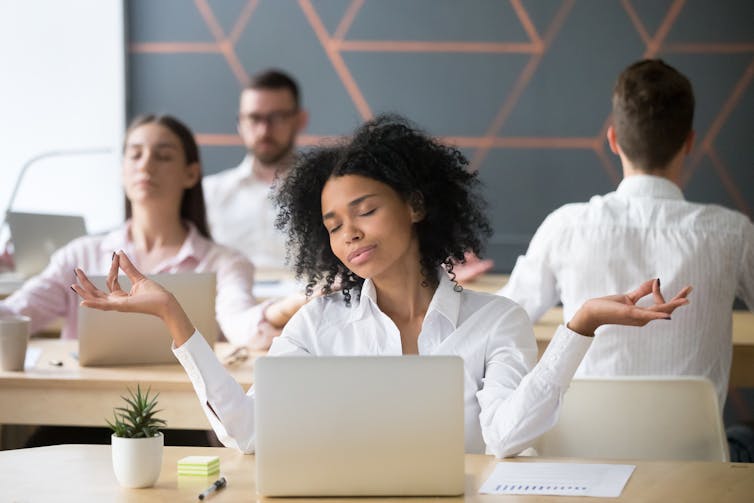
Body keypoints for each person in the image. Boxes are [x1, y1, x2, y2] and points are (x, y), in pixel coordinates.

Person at [73, 115, 690, 457]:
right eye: (333, 225)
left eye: (365, 210)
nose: (349, 236)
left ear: (417, 205)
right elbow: (250, 431)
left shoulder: (495, 320)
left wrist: (577, 327)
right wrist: (177, 320)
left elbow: (506, 438)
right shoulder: (319, 324)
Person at [499, 59, 754, 410]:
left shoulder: (565, 227)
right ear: (690, 142)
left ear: (613, 139)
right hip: (693, 456)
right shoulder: (734, 234)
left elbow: (502, 318)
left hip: (584, 454)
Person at [0, 114, 276, 349]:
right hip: (87, 400)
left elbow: (240, 323)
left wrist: (279, 312)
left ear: (190, 174)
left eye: (163, 156)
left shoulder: (225, 263)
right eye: (135, 155)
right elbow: (16, 313)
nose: (145, 165)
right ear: (122, 171)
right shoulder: (79, 255)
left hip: (183, 403)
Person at [203, 68, 308, 269]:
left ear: (300, 120)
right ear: (239, 124)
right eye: (254, 118)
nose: (264, 130)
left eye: (277, 118)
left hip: (306, 299)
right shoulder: (210, 193)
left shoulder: (325, 189)